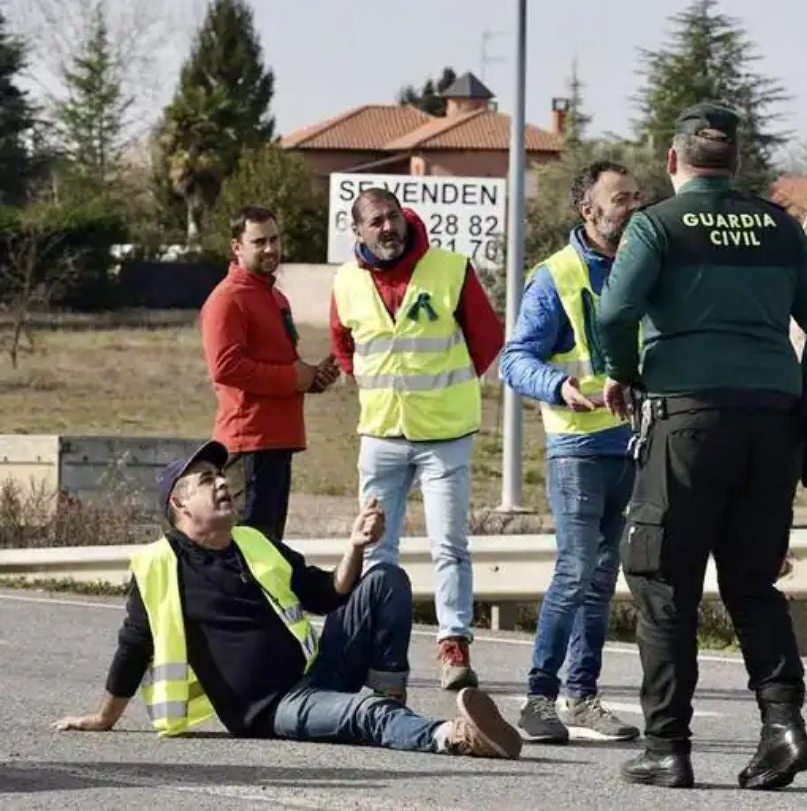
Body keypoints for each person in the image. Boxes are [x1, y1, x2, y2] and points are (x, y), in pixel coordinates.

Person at [598, 102, 807, 790]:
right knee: (752, 584)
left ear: (675, 162)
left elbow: (616, 312)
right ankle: (783, 726)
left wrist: (622, 371)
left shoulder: (657, 224)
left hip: (687, 422)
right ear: (736, 163)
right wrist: (797, 393)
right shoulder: (777, 224)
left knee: (664, 584)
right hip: (771, 425)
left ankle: (667, 747)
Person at [53, 440, 522, 761]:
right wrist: (103, 717)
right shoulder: (160, 566)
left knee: (385, 579)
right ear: (179, 504)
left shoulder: (254, 541)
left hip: (317, 671)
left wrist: (356, 546)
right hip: (269, 709)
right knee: (365, 713)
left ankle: (390, 698)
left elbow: (328, 594)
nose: (222, 483)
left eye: (221, 474)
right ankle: (454, 737)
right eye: (205, 479)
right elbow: (135, 646)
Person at [331, 188, 504, 692]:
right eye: (375, 222)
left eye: (392, 218)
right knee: (377, 548)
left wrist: (445, 391)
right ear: (358, 232)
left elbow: (486, 340)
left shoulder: (449, 267)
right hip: (381, 433)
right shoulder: (345, 280)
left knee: (449, 543)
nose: (387, 228)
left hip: (444, 435)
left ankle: (453, 644)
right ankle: (384, 652)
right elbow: (344, 347)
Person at [500, 161, 642, 744]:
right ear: (589, 211)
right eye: (621, 198)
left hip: (632, 443)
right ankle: (539, 698)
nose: (633, 206)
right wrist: (558, 386)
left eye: (638, 195)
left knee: (604, 576)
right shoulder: (554, 276)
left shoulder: (645, 266)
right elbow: (514, 359)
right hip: (578, 446)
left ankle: (582, 697)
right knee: (577, 569)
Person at [200, 206, 338, 539]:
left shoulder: (275, 297)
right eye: (259, 241)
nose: (270, 249)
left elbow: (280, 363)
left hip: (278, 441)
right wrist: (294, 377)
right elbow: (225, 367)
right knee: (249, 552)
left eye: (275, 239)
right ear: (237, 247)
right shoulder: (228, 299)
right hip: (249, 445)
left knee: (269, 551)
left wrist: (312, 379)